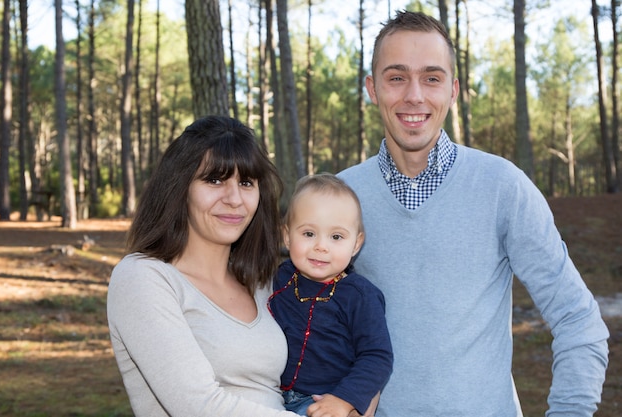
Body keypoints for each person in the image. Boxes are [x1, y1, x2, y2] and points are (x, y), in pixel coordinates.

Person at [338, 10, 609, 417]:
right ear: (372, 88)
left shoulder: (502, 186)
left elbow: (579, 321)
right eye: (396, 77)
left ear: (453, 90)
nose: (414, 95)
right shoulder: (341, 196)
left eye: (432, 77)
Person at [106, 116, 302, 417]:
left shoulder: (262, 284)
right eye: (215, 180)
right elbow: (198, 406)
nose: (235, 199)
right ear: (180, 187)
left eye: (246, 182)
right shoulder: (143, 278)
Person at [268, 173, 392, 417]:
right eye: (308, 234)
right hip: (270, 396)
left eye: (336, 237)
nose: (321, 246)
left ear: (356, 244)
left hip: (326, 400)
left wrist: (344, 400)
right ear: (286, 236)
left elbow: (377, 356)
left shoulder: (359, 296)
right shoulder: (280, 279)